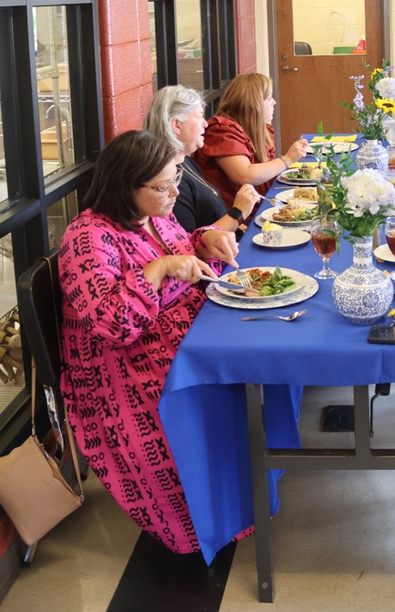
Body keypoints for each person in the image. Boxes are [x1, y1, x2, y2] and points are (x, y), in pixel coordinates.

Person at [58, 130, 243, 553]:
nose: (174, 192)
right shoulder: (87, 239)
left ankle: (239, 491)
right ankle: (202, 518)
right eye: (163, 186)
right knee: (231, 376)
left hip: (188, 335)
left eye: (175, 178)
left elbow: (181, 251)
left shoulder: (154, 214)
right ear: (126, 186)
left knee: (255, 351)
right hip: (128, 365)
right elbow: (113, 325)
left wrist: (205, 241)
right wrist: (157, 270)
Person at [143, 85, 260, 234]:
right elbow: (191, 241)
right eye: (199, 117)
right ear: (177, 125)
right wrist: (238, 212)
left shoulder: (185, 160)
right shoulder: (169, 181)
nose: (205, 123)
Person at [194, 73, 308, 208]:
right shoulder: (222, 132)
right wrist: (287, 159)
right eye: (269, 98)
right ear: (254, 104)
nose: (274, 102)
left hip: (259, 204)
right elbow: (245, 175)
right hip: (237, 215)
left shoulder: (256, 129)